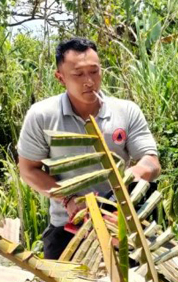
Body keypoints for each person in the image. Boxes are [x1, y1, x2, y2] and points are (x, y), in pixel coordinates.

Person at [16, 38, 161, 259]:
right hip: (68, 227)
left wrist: (129, 178)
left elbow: (151, 162)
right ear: (60, 77)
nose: (89, 81)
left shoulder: (126, 111)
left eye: (94, 72)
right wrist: (68, 199)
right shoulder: (42, 116)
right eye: (78, 74)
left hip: (121, 223)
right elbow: (28, 170)